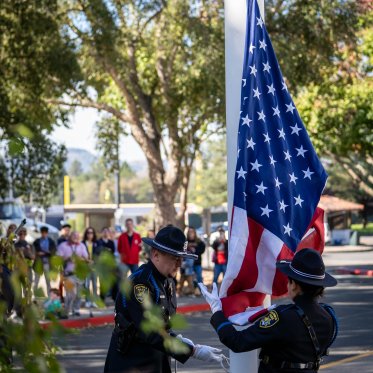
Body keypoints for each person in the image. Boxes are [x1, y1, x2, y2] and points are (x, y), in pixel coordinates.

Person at [104, 225, 225, 373]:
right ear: (156, 255)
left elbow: (163, 325)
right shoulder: (140, 283)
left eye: (181, 259)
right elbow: (149, 332)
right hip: (133, 361)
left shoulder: (167, 280)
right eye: (175, 259)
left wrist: (179, 340)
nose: (179, 264)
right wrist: (192, 351)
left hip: (156, 358)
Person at [199, 249, 339, 373]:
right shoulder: (329, 316)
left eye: (289, 281)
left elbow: (238, 342)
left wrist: (217, 311)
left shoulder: (283, 317)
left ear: (295, 285)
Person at [57, 232, 89, 316]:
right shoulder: (63, 245)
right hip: (68, 273)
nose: (76, 237)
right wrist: (68, 258)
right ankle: (67, 310)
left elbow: (86, 258)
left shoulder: (81, 245)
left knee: (78, 294)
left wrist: (79, 259)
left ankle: (76, 309)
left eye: (77, 236)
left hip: (79, 273)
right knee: (70, 294)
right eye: (74, 235)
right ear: (70, 236)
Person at [33, 226, 56, 295]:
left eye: (45, 233)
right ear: (41, 233)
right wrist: (44, 252)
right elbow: (34, 251)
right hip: (39, 262)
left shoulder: (50, 241)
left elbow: (53, 251)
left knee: (48, 281)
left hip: (47, 262)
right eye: (43, 233)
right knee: (36, 280)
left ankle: (49, 295)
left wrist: (44, 253)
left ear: (47, 233)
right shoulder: (37, 241)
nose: (44, 234)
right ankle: (34, 295)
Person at [82, 227, 99, 308]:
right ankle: (88, 301)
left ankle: (94, 301)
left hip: (94, 267)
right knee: (87, 284)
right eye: (88, 233)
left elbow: (99, 254)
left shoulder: (96, 243)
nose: (90, 234)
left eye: (91, 233)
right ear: (86, 234)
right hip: (86, 267)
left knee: (95, 285)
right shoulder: (82, 243)